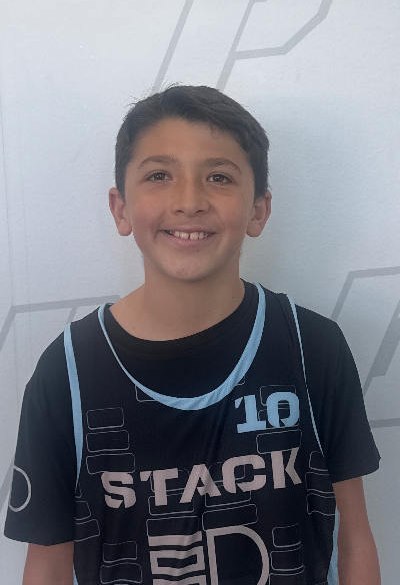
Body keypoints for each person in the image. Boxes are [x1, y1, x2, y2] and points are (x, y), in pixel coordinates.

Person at [4, 85, 381, 585]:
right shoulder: (68, 372)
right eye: (159, 175)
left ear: (258, 210)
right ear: (120, 208)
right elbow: (48, 565)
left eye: (219, 177)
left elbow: (353, 541)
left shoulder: (312, 347)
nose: (189, 202)